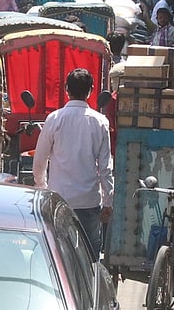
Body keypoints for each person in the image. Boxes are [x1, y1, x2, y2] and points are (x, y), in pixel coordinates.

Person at [32, 68, 113, 258]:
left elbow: (40, 159)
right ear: (91, 91)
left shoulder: (55, 119)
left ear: (66, 90)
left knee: (59, 256)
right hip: (89, 201)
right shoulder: (100, 122)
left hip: (59, 199)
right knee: (90, 258)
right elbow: (105, 167)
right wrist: (108, 201)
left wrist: (42, 186)